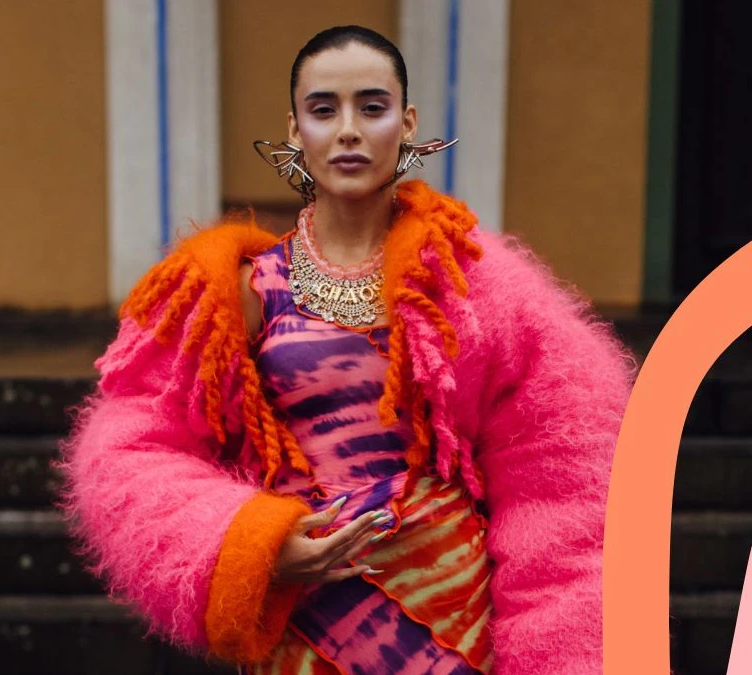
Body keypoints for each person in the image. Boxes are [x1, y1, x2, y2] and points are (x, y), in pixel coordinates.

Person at [59, 25, 635, 675]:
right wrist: (253, 542)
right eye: (324, 109)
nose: (349, 131)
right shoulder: (238, 292)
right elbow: (131, 445)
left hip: (456, 623)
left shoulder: (471, 281)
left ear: (407, 123)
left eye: (372, 107)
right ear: (296, 129)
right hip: (309, 632)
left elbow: (562, 480)